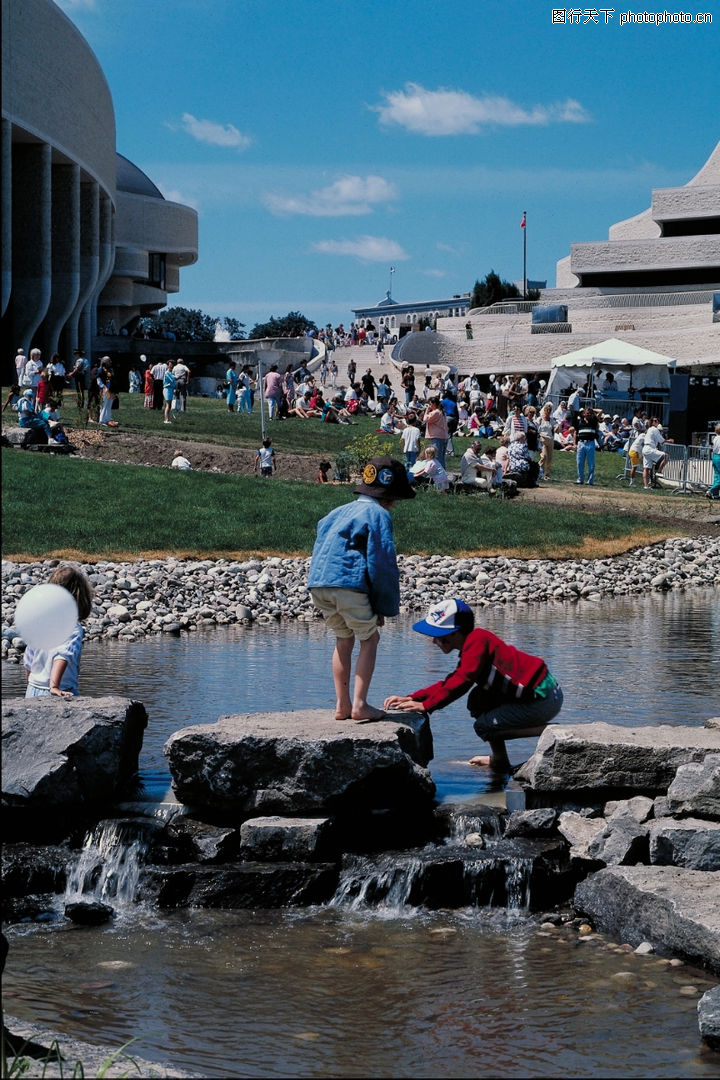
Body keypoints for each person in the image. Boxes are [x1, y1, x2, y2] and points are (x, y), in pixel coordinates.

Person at [384, 598, 563, 773]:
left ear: (456, 633)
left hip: (543, 698)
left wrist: (427, 705)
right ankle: (500, 760)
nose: (434, 641)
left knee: (483, 727)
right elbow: (452, 680)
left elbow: (463, 680)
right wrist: (414, 697)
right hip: (537, 695)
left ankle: (549, 731)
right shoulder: (473, 644)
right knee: (478, 700)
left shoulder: (477, 640)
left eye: (439, 636)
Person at [307, 457, 415, 721]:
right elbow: (381, 563)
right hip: (349, 584)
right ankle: (359, 704)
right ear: (390, 496)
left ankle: (341, 705)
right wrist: (384, 607)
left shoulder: (337, 512)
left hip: (319, 583)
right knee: (370, 638)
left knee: (343, 639)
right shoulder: (378, 515)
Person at [23, 564, 94, 698]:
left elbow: (28, 657)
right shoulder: (72, 628)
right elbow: (62, 656)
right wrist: (54, 686)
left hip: (32, 689)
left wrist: (30, 683)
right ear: (80, 598)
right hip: (60, 689)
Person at [642, 419, 671, 490]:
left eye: (657, 420)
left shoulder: (649, 429)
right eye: (656, 421)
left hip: (645, 449)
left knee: (646, 468)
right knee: (666, 456)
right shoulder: (654, 429)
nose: (657, 422)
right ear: (653, 422)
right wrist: (669, 441)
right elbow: (661, 440)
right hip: (650, 448)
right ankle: (659, 471)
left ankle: (646, 486)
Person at [575, 408, 600, 485]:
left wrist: (592, 409)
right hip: (581, 443)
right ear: (584, 414)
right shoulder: (580, 422)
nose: (588, 414)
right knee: (579, 462)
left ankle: (590, 480)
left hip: (590, 443)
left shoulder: (594, 421)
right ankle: (580, 479)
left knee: (591, 463)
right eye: (587, 413)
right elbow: (575, 433)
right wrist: (574, 443)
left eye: (590, 413)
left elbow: (601, 411)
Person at [706, 423, 720, 501]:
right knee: (719, 477)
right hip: (719, 456)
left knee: (717, 476)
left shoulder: (716, 438)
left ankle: (715, 494)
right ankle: (710, 491)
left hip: (715, 457)